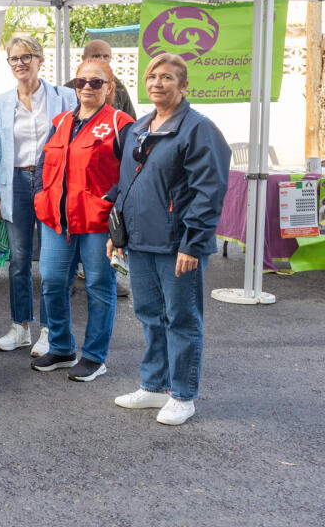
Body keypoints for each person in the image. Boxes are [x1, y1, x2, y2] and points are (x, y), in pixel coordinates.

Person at [109, 53, 228, 426]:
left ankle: (183, 394)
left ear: (183, 86)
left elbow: (208, 191)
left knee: (181, 318)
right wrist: (118, 234)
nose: (157, 83)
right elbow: (126, 185)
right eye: (152, 77)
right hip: (141, 242)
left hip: (178, 244)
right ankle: (154, 385)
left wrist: (193, 242)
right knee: (149, 315)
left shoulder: (198, 129)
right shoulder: (140, 127)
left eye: (167, 78)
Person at [29, 59, 134, 382]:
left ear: (109, 87)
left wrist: (111, 205)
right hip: (56, 219)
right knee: (52, 282)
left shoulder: (121, 123)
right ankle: (61, 347)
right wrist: (40, 195)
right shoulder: (61, 120)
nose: (87, 87)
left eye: (96, 82)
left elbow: (131, 174)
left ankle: (94, 356)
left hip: (97, 221)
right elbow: (45, 161)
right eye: (81, 82)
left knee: (99, 287)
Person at [0, 36, 77, 356]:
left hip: (52, 183)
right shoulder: (1, 102)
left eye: (27, 56)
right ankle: (20, 327)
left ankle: (49, 330)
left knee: (52, 263)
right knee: (19, 260)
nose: (20, 63)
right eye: (14, 58)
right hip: (15, 180)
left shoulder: (64, 96)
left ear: (40, 60)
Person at [64, 39, 136, 120]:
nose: (102, 60)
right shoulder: (68, 89)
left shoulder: (119, 87)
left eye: (106, 56)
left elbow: (132, 124)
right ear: (83, 58)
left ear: (109, 88)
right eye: (96, 56)